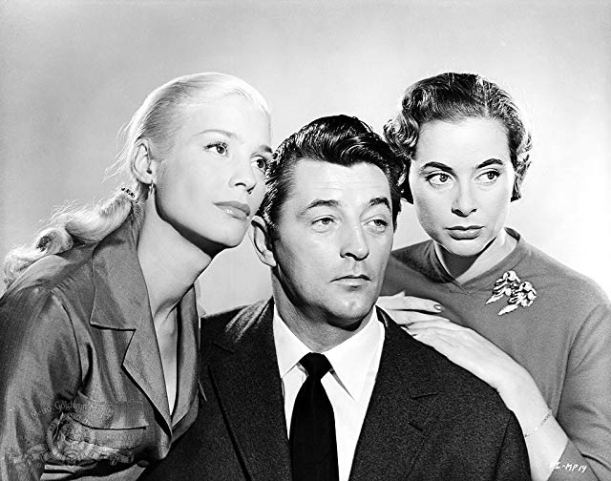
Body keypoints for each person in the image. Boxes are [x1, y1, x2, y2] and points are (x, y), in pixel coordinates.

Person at [142, 114, 530, 481]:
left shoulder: (477, 421)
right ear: (265, 242)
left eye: (376, 222)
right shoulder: (174, 369)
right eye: (325, 221)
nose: (358, 247)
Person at [0, 72, 273, 480]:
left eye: (260, 162)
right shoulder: (53, 305)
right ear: (147, 163)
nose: (248, 179)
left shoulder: (190, 316)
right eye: (219, 148)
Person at [379, 72, 611, 481]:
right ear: (405, 180)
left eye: (488, 174)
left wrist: (513, 383)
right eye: (439, 176)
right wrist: (353, 327)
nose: (465, 204)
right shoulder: (371, 283)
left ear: (515, 174)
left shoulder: (578, 306)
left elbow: (586, 478)